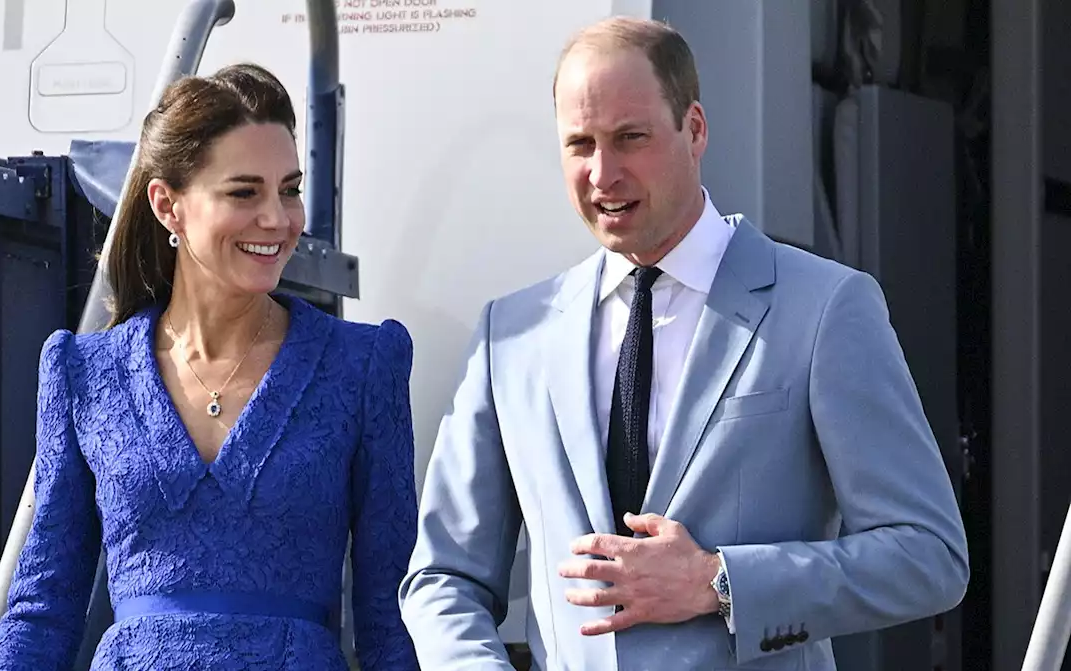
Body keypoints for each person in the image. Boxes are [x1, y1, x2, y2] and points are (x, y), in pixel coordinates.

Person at [399, 16, 969, 671]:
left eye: (629, 138)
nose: (602, 173)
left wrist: (719, 582)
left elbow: (929, 554)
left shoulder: (825, 307)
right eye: (579, 143)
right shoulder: (512, 335)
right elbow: (444, 578)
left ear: (694, 129)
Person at [0, 63, 419, 671]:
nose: (279, 218)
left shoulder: (363, 364)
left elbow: (390, 615)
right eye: (245, 192)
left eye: (289, 189)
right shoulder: (82, 371)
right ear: (168, 206)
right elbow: (43, 609)